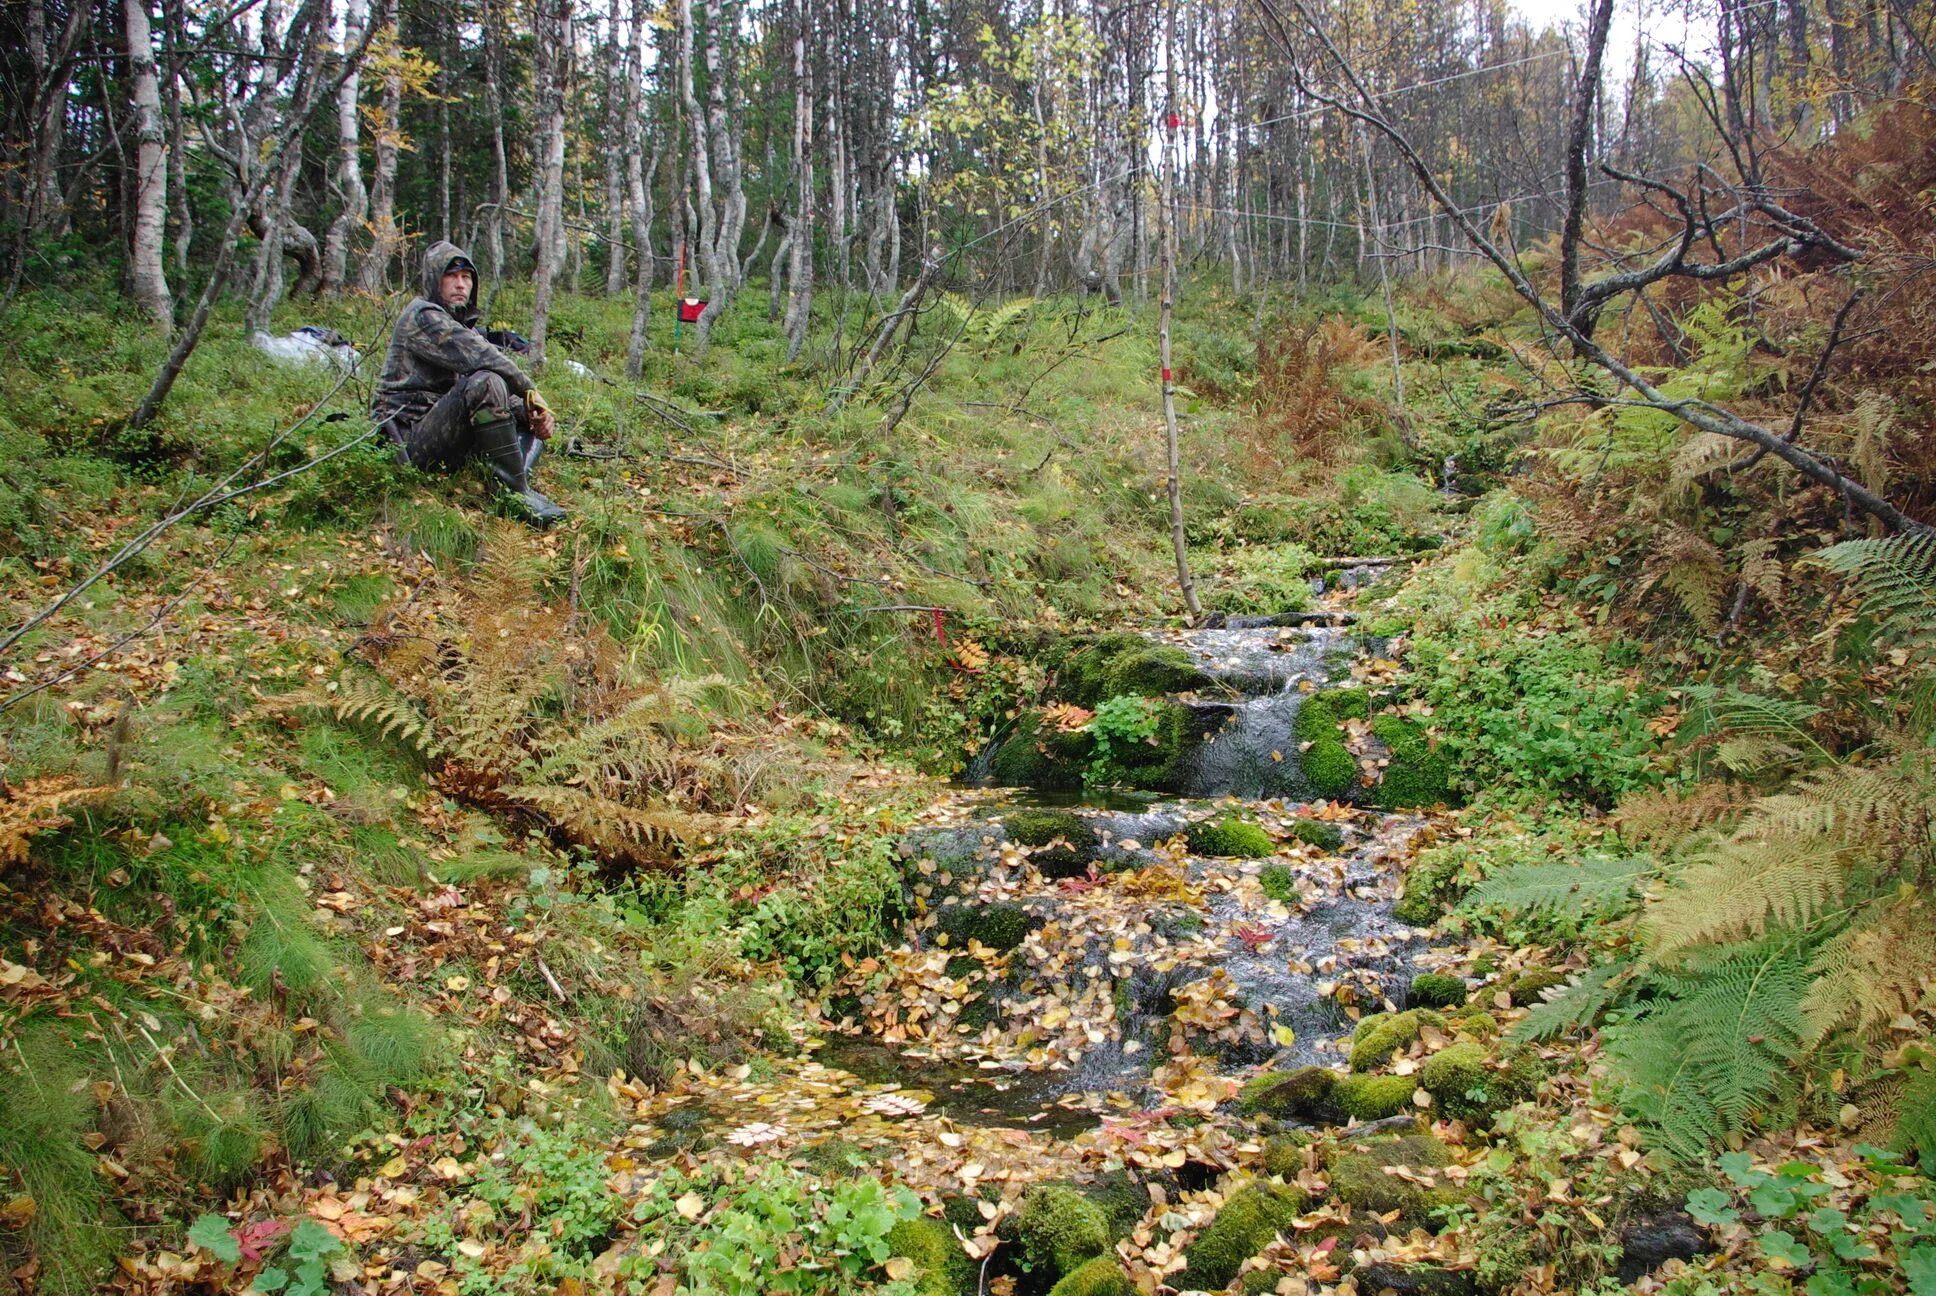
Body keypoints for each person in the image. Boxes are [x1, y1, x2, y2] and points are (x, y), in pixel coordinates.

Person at [372, 240, 567, 526]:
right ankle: (514, 496)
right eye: (451, 276)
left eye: (466, 277)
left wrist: (534, 412)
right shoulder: (423, 317)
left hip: (442, 430)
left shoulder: (459, 324)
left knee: (525, 413)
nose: (461, 284)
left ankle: (515, 481)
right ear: (434, 280)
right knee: (487, 381)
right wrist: (530, 391)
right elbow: (484, 358)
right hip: (407, 442)